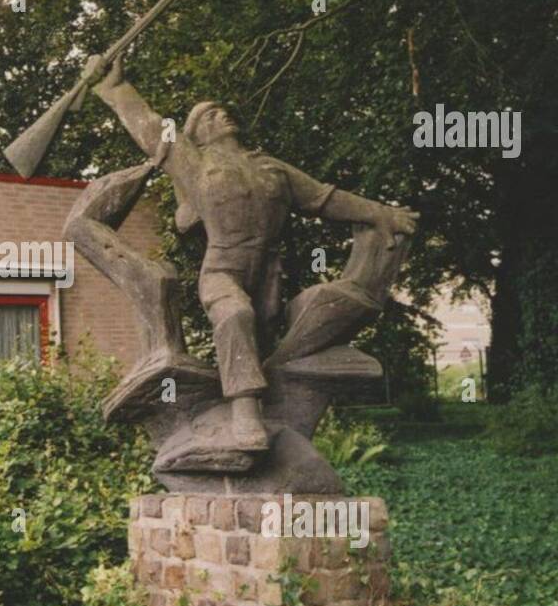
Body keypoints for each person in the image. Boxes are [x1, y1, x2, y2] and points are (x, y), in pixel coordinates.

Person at [93, 54, 418, 452]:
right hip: (223, 267)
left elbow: (324, 199)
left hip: (268, 275)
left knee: (268, 348)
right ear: (197, 133)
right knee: (234, 314)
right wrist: (112, 88)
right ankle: (243, 410)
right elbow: (149, 126)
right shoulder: (193, 162)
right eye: (210, 115)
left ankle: (271, 430)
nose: (222, 116)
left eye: (223, 111)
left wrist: (381, 213)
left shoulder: (272, 169)